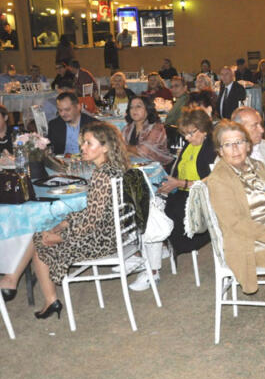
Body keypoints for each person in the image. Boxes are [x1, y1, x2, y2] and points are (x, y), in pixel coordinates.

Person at [0, 122, 130, 319]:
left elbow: (92, 222)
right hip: (110, 232)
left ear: (105, 147)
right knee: (45, 228)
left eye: (88, 143)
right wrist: (62, 225)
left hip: (102, 240)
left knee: (40, 241)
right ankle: (19, 283)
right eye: (83, 142)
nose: (82, 147)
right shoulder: (112, 169)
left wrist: (60, 237)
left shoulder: (102, 175)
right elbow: (92, 213)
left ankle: (48, 299)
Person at [205, 120, 265, 294]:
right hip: (249, 244)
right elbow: (236, 223)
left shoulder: (257, 166)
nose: (235, 149)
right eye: (228, 145)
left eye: (239, 142)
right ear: (220, 151)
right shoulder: (219, 179)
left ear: (248, 145)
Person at [160, 110, 215, 260]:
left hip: (201, 195)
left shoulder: (211, 148)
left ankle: (173, 245)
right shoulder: (189, 145)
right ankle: (164, 244)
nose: (187, 138)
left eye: (190, 133)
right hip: (183, 191)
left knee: (171, 210)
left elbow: (211, 182)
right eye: (184, 134)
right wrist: (168, 182)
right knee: (156, 204)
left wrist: (179, 183)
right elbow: (178, 170)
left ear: (203, 129)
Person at [122, 95, 172, 165]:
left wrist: (126, 148)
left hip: (156, 167)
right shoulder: (127, 128)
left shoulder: (157, 128)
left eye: (138, 106)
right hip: (133, 165)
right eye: (131, 107)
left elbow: (144, 151)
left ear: (148, 109)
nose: (134, 110)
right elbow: (118, 148)